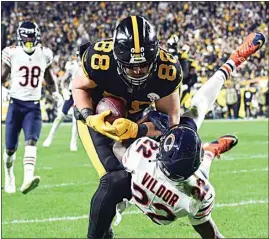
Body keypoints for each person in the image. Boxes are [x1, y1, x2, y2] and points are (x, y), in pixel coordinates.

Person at [112, 32, 265, 239]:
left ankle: (209, 149)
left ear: (159, 152)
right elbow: (213, 235)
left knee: (188, 116)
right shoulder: (199, 193)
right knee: (196, 111)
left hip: (156, 195)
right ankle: (209, 151)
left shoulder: (142, 158)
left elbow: (118, 148)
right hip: (176, 195)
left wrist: (142, 124)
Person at [72, 16, 183, 239]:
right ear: (116, 57)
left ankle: (105, 229)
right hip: (99, 117)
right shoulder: (98, 58)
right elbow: (78, 87)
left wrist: (138, 130)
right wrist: (89, 117)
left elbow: (170, 124)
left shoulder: (167, 70)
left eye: (144, 65)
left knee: (136, 179)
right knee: (115, 178)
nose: (138, 72)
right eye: (131, 67)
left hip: (138, 121)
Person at [1, 21, 63, 194]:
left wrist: (56, 93)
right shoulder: (12, 53)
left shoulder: (44, 54)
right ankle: (9, 174)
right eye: (26, 40)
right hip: (15, 105)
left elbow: (50, 78)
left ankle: (28, 177)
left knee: (31, 141)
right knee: (10, 149)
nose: (29, 43)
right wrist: (3, 90)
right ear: (20, 39)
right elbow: (1, 77)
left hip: (33, 107)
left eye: (31, 40)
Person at [43, 55, 79, 151]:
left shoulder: (88, 66)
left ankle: (73, 143)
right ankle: (49, 138)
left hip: (80, 95)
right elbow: (63, 80)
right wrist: (64, 89)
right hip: (71, 94)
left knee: (76, 120)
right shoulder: (73, 65)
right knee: (60, 116)